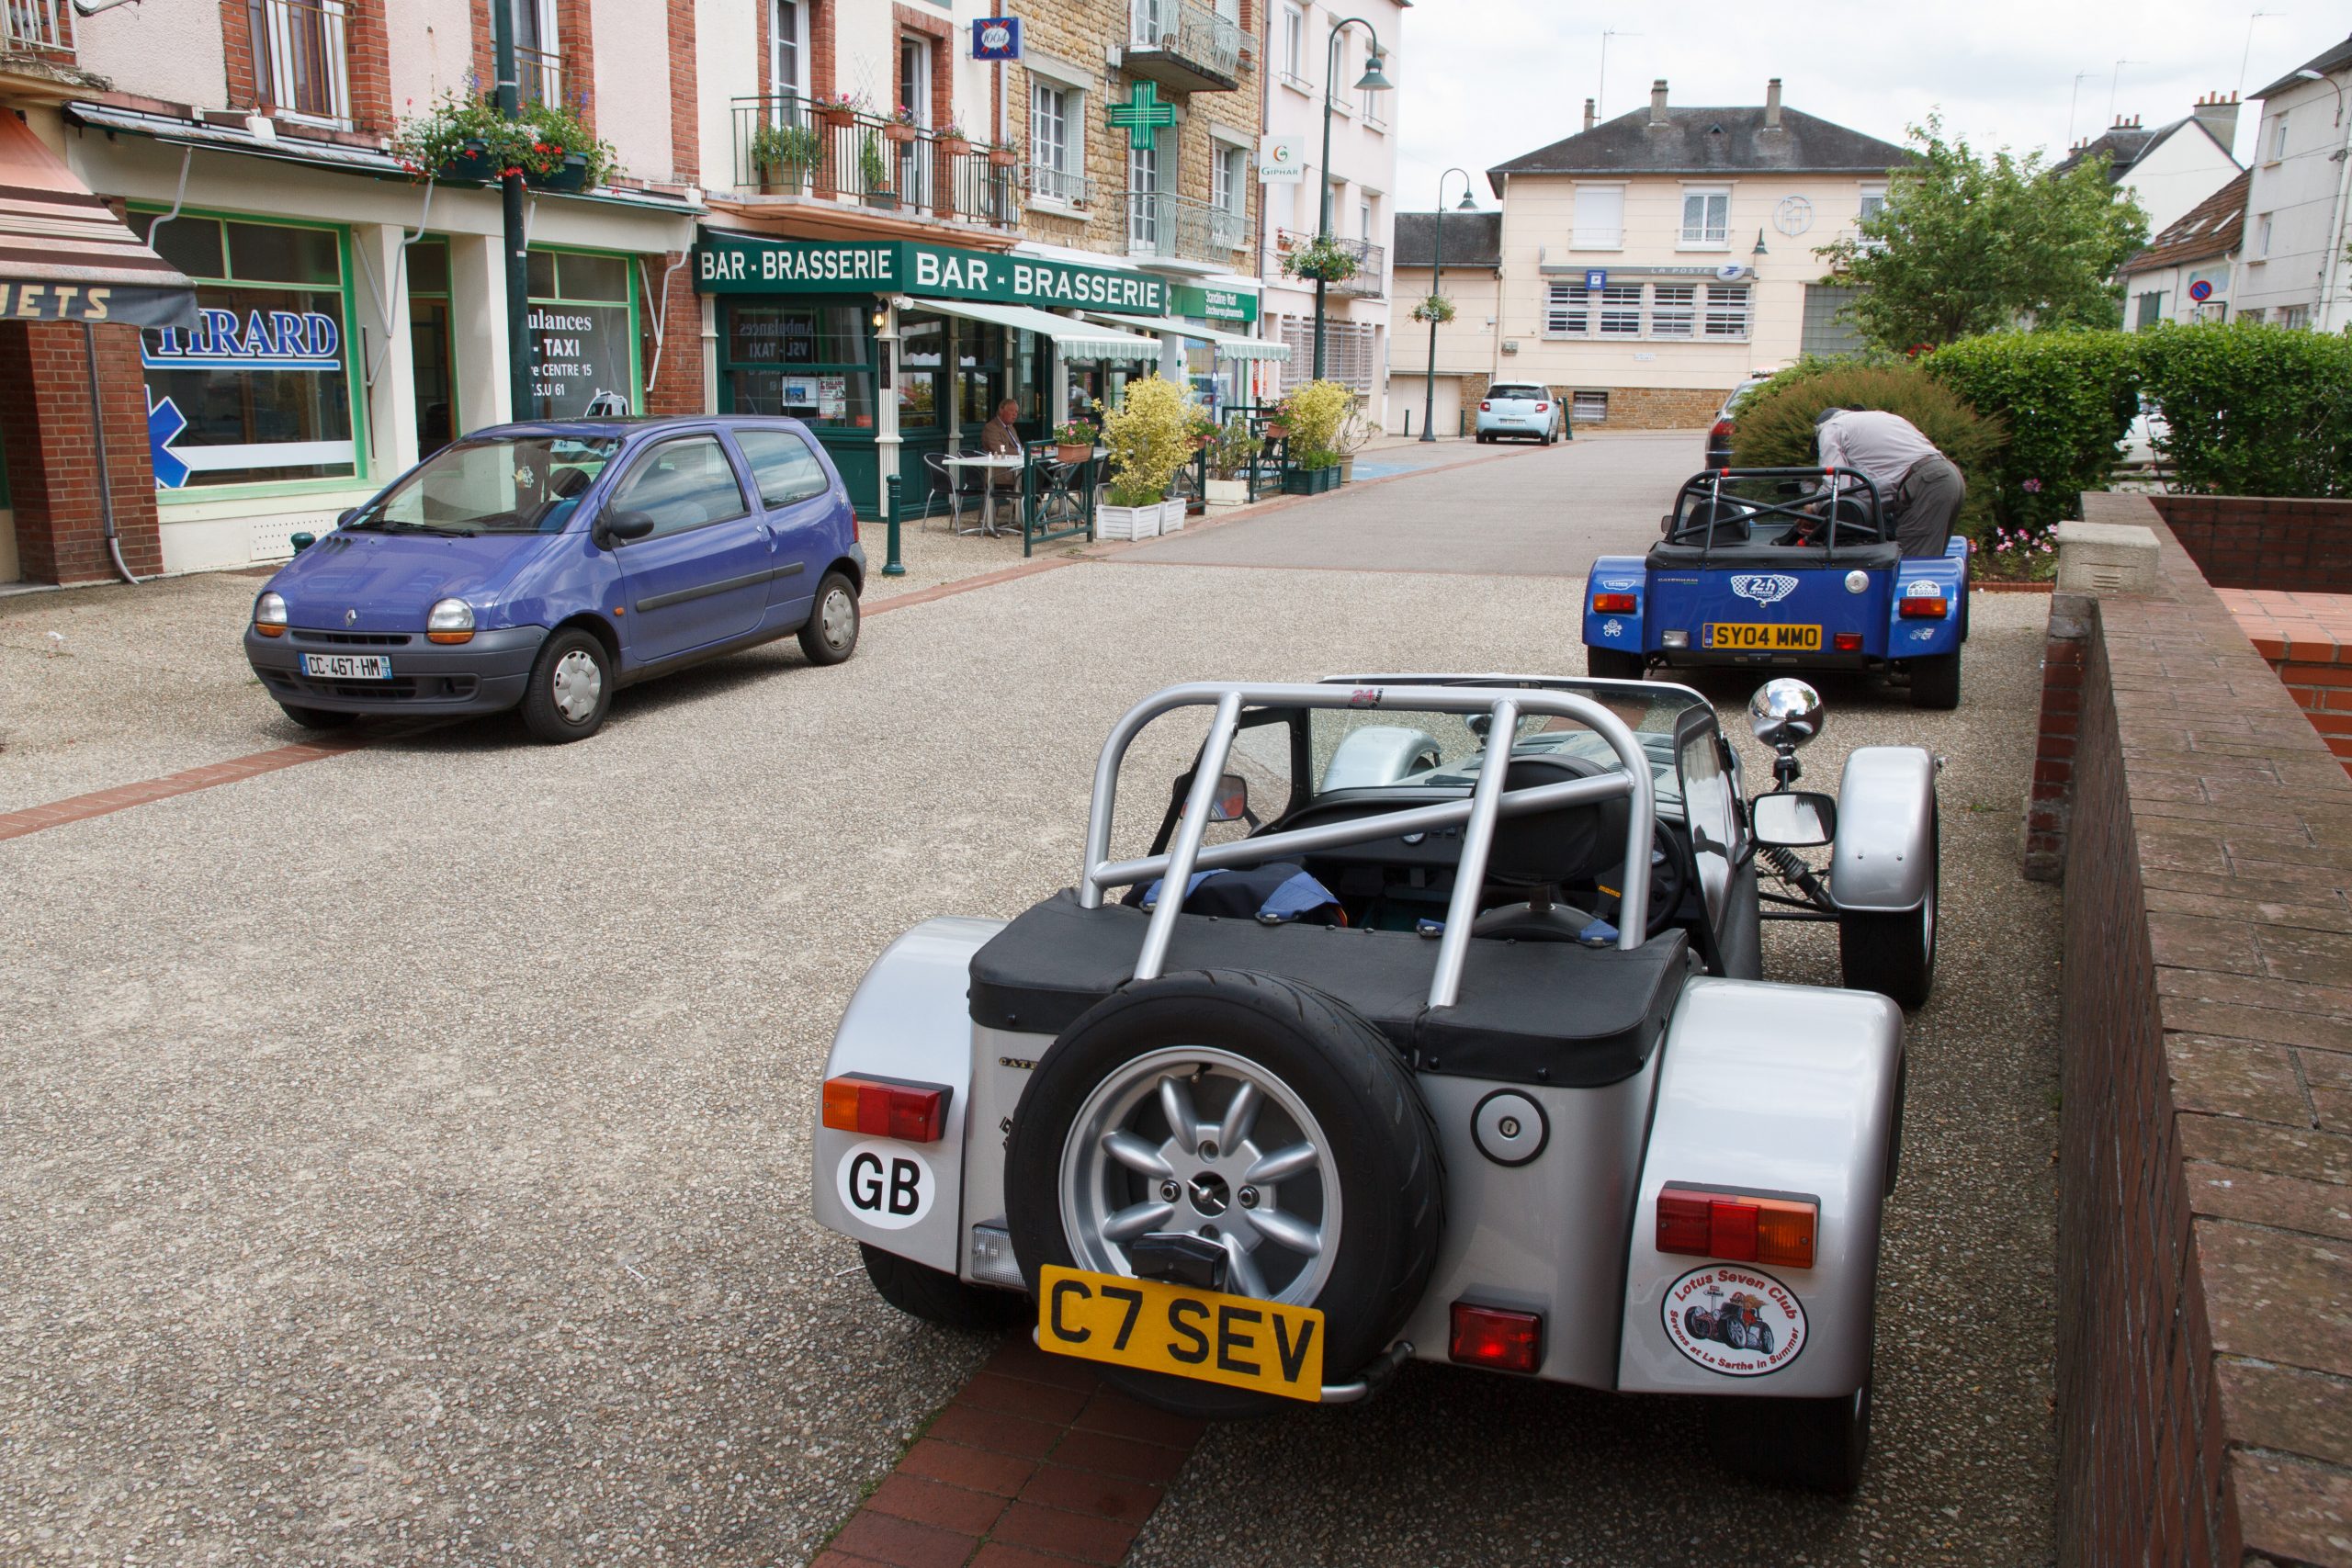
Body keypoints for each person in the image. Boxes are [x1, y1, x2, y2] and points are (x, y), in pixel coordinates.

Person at [1813, 406, 1966, 558]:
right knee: (1930, 561)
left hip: (1927, 484)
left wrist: (1813, 509)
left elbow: (1837, 487)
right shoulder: (1883, 418)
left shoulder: (1831, 429)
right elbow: (1886, 477)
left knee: (1912, 568)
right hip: (1948, 475)